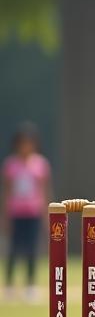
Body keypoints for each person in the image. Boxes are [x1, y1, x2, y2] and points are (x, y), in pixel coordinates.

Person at [2, 122, 52, 300]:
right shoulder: (10, 165)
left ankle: (30, 284)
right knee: (13, 248)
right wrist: (5, 216)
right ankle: (8, 285)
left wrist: (47, 215)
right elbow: (7, 192)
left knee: (32, 248)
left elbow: (45, 191)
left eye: (29, 142)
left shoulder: (40, 164)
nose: (26, 146)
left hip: (34, 212)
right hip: (16, 213)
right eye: (22, 142)